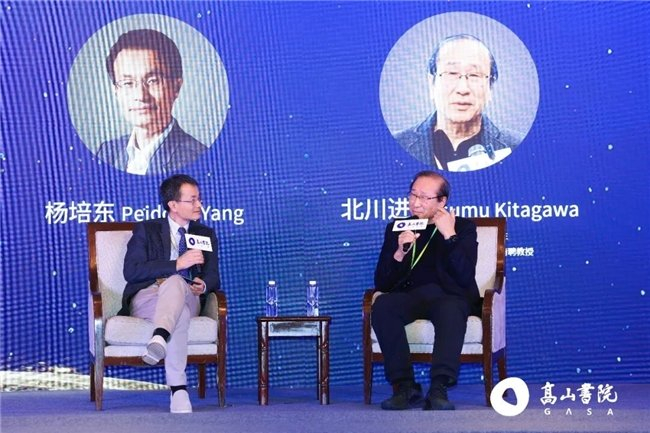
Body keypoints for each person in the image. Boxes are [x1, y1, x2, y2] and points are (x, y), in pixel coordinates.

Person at [372, 170, 480, 410]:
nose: (416, 203)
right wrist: (400, 252)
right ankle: (405, 387)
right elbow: (382, 283)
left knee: (451, 309)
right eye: (413, 195)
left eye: (424, 197)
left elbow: (464, 275)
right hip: (411, 296)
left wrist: (449, 235)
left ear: (442, 201)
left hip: (449, 296)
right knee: (383, 306)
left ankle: (439, 387)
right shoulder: (398, 227)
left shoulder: (462, 227)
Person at [119, 174, 220, 413]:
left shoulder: (205, 233)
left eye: (199, 199)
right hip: (149, 296)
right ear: (173, 204)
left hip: (189, 295)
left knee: (177, 285)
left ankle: (159, 337)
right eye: (192, 200)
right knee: (179, 312)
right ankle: (179, 391)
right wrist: (177, 264)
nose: (199, 205)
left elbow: (214, 276)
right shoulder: (147, 229)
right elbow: (131, 271)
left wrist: (203, 285)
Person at [396, 34, 521, 171]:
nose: (462, 89)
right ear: (432, 84)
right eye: (451, 73)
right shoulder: (398, 145)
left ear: (490, 87)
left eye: (474, 75)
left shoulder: (516, 147)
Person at [97, 29, 206, 175]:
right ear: (116, 91)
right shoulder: (107, 153)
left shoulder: (196, 157)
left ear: (176, 87)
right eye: (128, 83)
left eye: (153, 81)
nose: (141, 96)